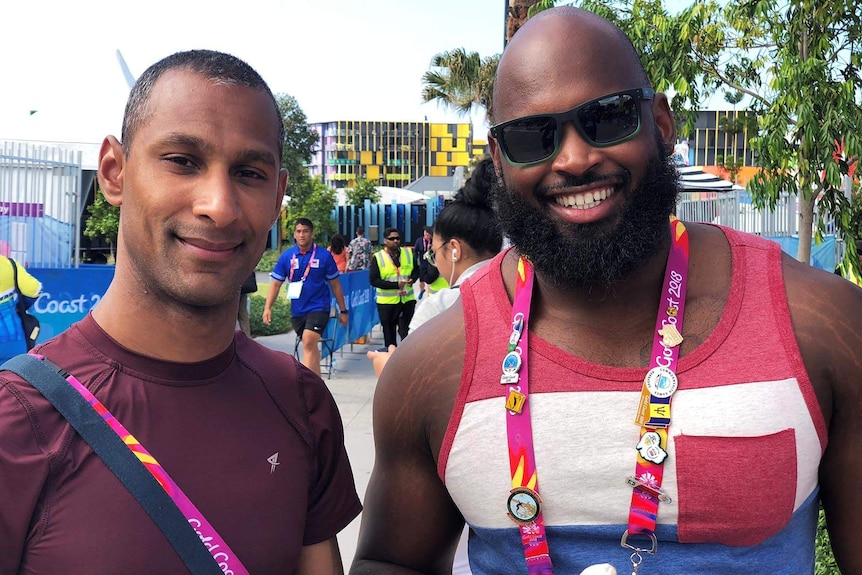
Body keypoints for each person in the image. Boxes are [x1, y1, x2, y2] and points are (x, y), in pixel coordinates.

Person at [351, 8, 862, 575]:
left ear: (662, 126)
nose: (574, 159)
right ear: (498, 161)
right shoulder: (431, 369)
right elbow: (390, 562)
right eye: (532, 137)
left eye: (609, 118)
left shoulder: (823, 325)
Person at [0, 50, 360, 575]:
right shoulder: (17, 422)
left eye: (249, 172)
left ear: (279, 195)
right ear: (114, 172)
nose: (219, 204)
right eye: (182, 161)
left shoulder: (301, 402)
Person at [366, 158, 503, 575]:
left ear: (454, 249)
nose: (436, 261)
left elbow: (416, 390)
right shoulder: (524, 300)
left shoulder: (443, 305)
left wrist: (388, 366)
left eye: (437, 251)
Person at [264, 218, 349, 376]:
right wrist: (268, 307)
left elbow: (335, 284)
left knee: (309, 342)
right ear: (294, 234)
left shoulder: (324, 256)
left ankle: (307, 388)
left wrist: (343, 311)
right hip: (298, 310)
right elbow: (276, 284)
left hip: (319, 307)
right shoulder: (287, 256)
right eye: (298, 232)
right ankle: (318, 386)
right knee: (310, 347)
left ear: (312, 233)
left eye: (305, 231)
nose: (302, 235)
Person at [368, 227, 419, 348]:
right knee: (389, 337)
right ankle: (390, 361)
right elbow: (374, 281)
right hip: (387, 303)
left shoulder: (408, 253)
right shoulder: (378, 257)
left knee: (406, 333)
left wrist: (413, 279)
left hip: (407, 300)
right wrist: (395, 285)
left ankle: (405, 360)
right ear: (385, 241)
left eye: (397, 238)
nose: (395, 241)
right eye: (392, 239)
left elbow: (416, 271)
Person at [0, 255, 42, 362]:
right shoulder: (9, 264)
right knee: (13, 375)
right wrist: (19, 307)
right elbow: (34, 289)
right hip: (13, 337)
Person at [237, 271, 257, 336]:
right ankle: (247, 336)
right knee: (243, 312)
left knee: (229, 313)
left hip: (233, 285)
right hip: (243, 285)